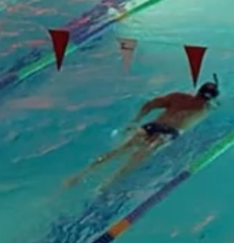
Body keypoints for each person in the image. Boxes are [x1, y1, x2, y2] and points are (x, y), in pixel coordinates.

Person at [66, 78, 220, 189]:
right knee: (134, 161)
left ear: (198, 91)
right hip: (168, 133)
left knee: (118, 151)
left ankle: (79, 175)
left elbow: (149, 105)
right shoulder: (205, 109)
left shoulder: (178, 96)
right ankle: (105, 186)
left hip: (152, 126)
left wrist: (136, 120)